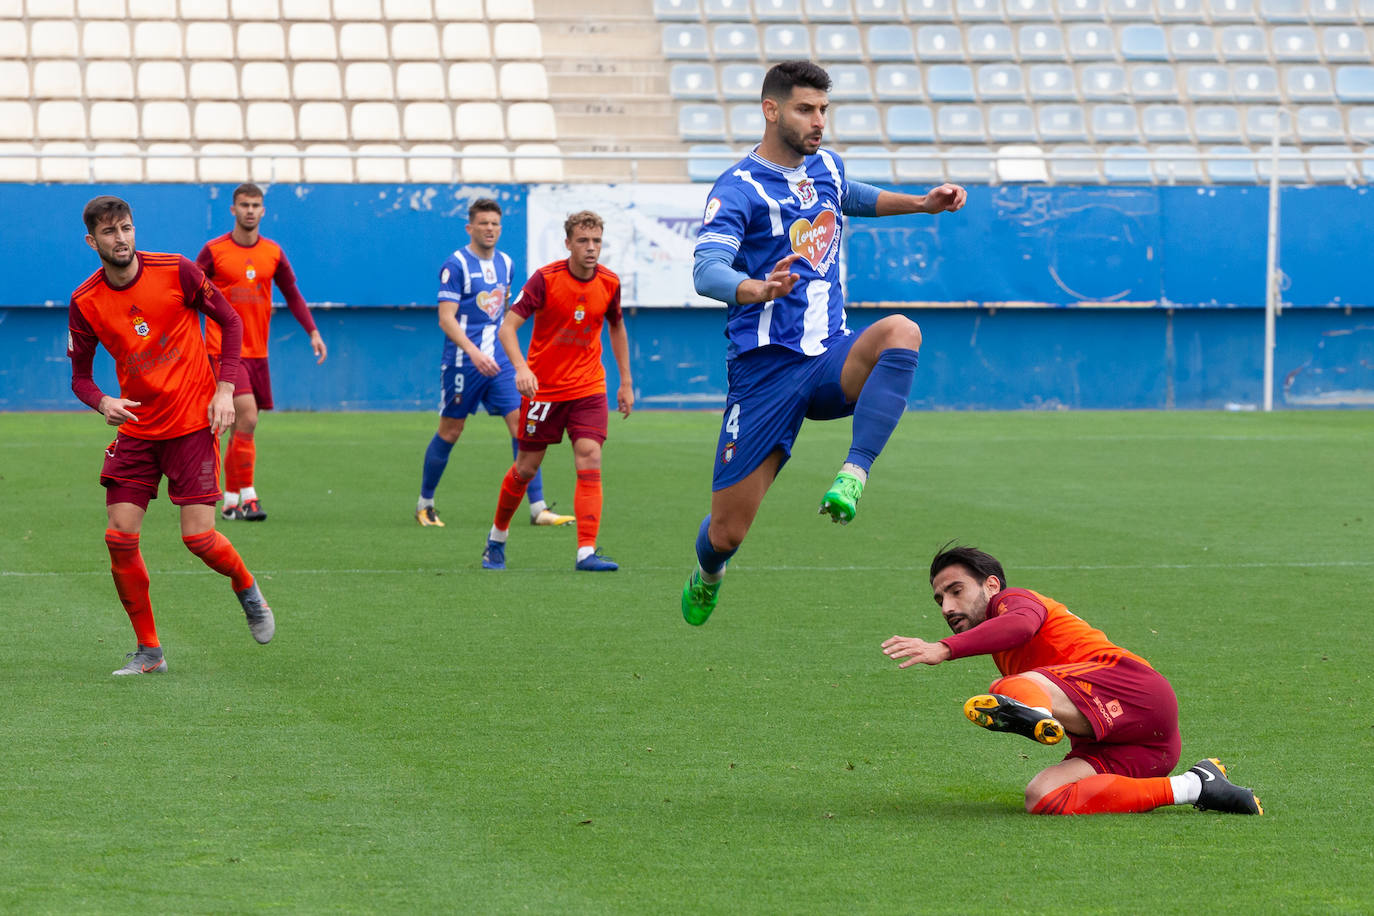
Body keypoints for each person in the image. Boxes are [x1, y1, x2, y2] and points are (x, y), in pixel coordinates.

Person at [681, 60, 968, 626]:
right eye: (805, 110)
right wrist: (756, 287)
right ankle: (708, 574)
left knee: (900, 331)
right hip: (764, 374)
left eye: (823, 110)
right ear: (771, 110)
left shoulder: (826, 168)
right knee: (727, 531)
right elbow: (705, 269)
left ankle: (852, 473)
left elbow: (849, 195)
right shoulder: (738, 188)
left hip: (830, 355)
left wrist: (920, 203)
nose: (819, 122)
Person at [880, 544, 1263, 816]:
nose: (947, 607)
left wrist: (945, 648)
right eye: (939, 600)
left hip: (1134, 690)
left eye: (955, 591)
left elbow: (1020, 625)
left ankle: (1033, 712)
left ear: (992, 585)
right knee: (1043, 797)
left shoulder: (1015, 601)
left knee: (1006, 690)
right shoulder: (1003, 648)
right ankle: (1197, 785)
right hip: (1144, 748)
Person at [67, 196, 274, 676]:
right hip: (137, 429)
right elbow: (79, 377)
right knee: (119, 537)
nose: (120, 239)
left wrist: (225, 389)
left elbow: (231, 319)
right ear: (91, 241)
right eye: (109, 232)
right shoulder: (85, 301)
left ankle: (246, 588)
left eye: (126, 228)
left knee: (199, 538)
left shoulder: (176, 270)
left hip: (190, 425)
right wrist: (103, 401)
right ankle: (149, 652)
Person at [479, 210, 633, 572]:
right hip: (544, 390)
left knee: (589, 454)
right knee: (526, 467)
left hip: (589, 386)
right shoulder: (545, 280)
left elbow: (617, 327)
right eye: (583, 241)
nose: (591, 248)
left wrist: (625, 382)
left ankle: (586, 552)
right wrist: (521, 368)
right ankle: (496, 540)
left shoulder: (609, 282)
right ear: (568, 244)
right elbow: (507, 328)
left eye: (596, 241)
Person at [414, 198, 574, 529]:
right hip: (464, 362)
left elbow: (501, 314)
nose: (490, 229)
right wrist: (474, 352)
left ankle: (538, 508)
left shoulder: (506, 264)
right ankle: (425, 504)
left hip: (499, 363)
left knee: (524, 425)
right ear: (469, 227)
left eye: (495, 224)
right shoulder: (455, 265)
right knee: (451, 429)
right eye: (483, 223)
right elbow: (446, 319)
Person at [196, 182, 327, 522]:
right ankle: (250, 496)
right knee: (248, 417)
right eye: (244, 205)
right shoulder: (214, 251)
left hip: (258, 351)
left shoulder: (272, 252)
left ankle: (230, 501)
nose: (250, 211)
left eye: (255, 205)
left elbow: (292, 293)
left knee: (243, 424)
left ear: (263, 210)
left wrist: (312, 331)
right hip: (223, 350)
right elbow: (189, 293)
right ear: (233, 209)